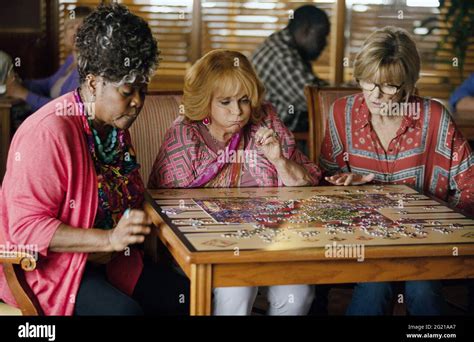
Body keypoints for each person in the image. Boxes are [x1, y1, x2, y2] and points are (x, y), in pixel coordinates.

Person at [0, 3, 189, 316]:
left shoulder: (112, 125)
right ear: (92, 83)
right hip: (53, 270)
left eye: (144, 88)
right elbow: (26, 230)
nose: (138, 102)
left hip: (111, 260)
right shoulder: (48, 132)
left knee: (189, 299)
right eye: (128, 91)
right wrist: (108, 239)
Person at [149, 49, 321, 315]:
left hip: (268, 242)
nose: (238, 111)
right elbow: (167, 207)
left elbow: (304, 184)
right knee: (238, 287)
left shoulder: (265, 119)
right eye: (225, 102)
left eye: (243, 100)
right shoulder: (185, 134)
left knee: (298, 292)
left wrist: (279, 161)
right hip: (205, 246)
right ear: (206, 101)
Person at [320, 26, 474, 315]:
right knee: (376, 281)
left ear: (408, 85)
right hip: (365, 241)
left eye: (389, 86)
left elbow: (470, 186)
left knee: (422, 288)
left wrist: (444, 229)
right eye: (368, 82)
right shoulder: (342, 113)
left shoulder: (435, 117)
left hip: (427, 241)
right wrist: (345, 187)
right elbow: (322, 188)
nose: (375, 95)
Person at [251, 5, 330, 134]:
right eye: (322, 36)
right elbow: (317, 99)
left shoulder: (283, 45)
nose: (325, 43)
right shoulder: (281, 55)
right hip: (271, 140)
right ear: (306, 30)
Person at [5, 6, 92, 112]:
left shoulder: (87, 67)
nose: (76, 32)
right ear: (64, 34)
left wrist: (24, 94)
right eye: (71, 27)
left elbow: (66, 108)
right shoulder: (70, 61)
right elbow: (48, 84)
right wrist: (20, 82)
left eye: (82, 27)